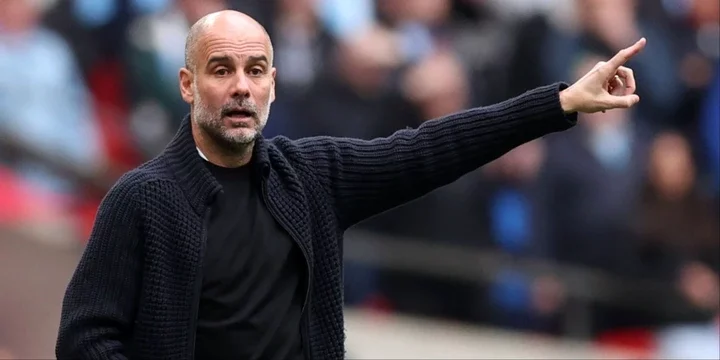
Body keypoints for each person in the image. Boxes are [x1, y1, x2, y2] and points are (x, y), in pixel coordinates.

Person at [55, 10, 646, 360]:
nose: (241, 86)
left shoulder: (309, 175)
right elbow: (85, 340)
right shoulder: (142, 198)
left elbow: (432, 149)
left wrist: (559, 102)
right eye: (221, 70)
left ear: (273, 86)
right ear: (187, 85)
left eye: (255, 71)